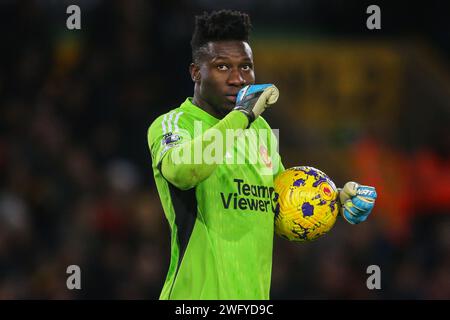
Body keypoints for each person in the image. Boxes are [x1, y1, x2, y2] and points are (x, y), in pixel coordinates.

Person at [147, 10, 377, 300]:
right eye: (222, 67)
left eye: (246, 67)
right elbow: (182, 172)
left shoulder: (262, 130)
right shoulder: (174, 124)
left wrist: (332, 197)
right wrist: (241, 116)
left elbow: (280, 206)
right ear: (196, 72)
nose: (237, 79)